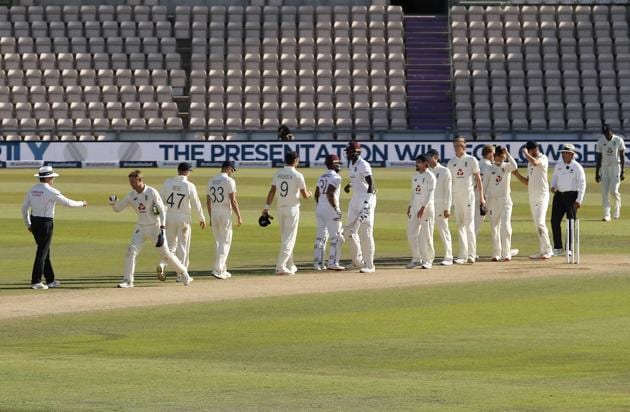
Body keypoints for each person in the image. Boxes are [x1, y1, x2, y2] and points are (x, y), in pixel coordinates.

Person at [110, 170, 192, 288]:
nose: (131, 184)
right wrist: (113, 203)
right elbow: (118, 208)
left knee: (166, 254)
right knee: (130, 252)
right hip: (141, 228)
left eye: (133, 181)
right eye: (130, 182)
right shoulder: (131, 195)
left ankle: (184, 273)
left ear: (140, 180)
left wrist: (162, 229)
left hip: (155, 227)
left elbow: (162, 211)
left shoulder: (152, 192)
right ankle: (128, 281)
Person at [21, 166, 88, 290]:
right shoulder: (51, 191)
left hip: (35, 222)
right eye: (51, 177)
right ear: (47, 178)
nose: (53, 179)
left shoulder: (32, 189)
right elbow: (68, 203)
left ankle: (50, 280)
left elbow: (24, 208)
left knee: (45, 251)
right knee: (42, 252)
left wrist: (28, 224)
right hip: (45, 223)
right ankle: (36, 281)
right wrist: (82, 203)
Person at [263, 151, 312, 275]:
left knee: (285, 237)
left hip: (280, 208)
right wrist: (310, 193)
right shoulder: (298, 175)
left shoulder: (278, 173)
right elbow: (305, 195)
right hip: (292, 209)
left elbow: (272, 191)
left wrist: (266, 207)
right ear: (295, 160)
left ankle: (291, 264)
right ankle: (280, 266)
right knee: (289, 239)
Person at [157, 162, 206, 282]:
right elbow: (196, 203)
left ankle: (163, 264)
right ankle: (181, 275)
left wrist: (159, 217)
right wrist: (201, 218)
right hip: (183, 218)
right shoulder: (189, 185)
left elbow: (159, 200)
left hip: (169, 216)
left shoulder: (168, 182)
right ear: (187, 171)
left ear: (178, 171)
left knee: (170, 246)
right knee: (183, 246)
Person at [447, 136, 485, 264]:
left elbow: (478, 179)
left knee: (469, 225)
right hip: (456, 196)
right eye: (455, 145)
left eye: (459, 144)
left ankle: (471, 255)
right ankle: (462, 255)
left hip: (468, 195)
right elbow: (449, 182)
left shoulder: (471, 160)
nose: (457, 147)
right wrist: (449, 201)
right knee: (460, 225)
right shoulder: (451, 162)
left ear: (465, 146)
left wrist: (482, 198)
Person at [512, 140, 554, 259]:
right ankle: (542, 250)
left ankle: (548, 250)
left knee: (540, 222)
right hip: (532, 195)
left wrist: (525, 153)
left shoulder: (543, 158)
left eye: (530, 150)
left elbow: (536, 162)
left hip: (542, 194)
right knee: (537, 224)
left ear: (533, 149)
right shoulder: (529, 163)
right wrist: (517, 175)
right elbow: (528, 182)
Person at [342, 140, 378, 273]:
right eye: (347, 152)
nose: (348, 154)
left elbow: (372, 185)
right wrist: (349, 185)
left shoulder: (363, 164)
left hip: (366, 199)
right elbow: (357, 179)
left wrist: (367, 205)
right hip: (355, 199)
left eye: (350, 152)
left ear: (357, 152)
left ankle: (370, 265)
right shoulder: (351, 164)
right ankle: (357, 261)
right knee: (349, 231)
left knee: (366, 232)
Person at [207, 160, 242, 279]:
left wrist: (211, 216)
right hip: (225, 213)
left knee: (218, 242)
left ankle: (222, 268)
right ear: (228, 168)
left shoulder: (211, 180)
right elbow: (233, 200)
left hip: (215, 212)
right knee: (225, 242)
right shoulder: (229, 181)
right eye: (232, 170)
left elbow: (208, 201)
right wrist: (239, 216)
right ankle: (218, 270)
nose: (232, 172)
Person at [550, 144, 586, 256]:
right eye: (562, 153)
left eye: (565, 153)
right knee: (554, 221)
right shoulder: (558, 165)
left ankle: (569, 248)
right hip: (559, 195)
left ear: (571, 154)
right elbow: (555, 178)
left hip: (572, 196)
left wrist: (579, 200)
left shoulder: (577, 167)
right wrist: (553, 186)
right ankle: (557, 247)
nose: (563, 155)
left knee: (570, 222)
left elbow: (582, 185)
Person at [484, 146, 519, 262]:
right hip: (493, 201)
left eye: (503, 158)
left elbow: (515, 166)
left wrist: (508, 153)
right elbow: (484, 186)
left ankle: (507, 253)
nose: (502, 160)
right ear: (495, 157)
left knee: (506, 226)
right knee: (494, 227)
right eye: (500, 157)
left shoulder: (507, 167)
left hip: (505, 200)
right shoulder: (489, 169)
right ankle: (496, 253)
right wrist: (483, 201)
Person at [313, 154, 345, 271]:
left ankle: (318, 263)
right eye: (338, 163)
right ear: (333, 164)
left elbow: (317, 194)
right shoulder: (336, 177)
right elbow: (330, 193)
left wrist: (320, 205)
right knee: (336, 237)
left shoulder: (321, 176)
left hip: (320, 209)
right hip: (330, 210)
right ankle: (333, 262)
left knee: (320, 236)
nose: (339, 165)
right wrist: (336, 209)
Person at [406, 154, 436, 269]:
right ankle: (416, 258)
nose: (416, 164)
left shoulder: (430, 176)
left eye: (419, 162)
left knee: (427, 235)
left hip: (426, 210)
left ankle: (428, 260)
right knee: (411, 234)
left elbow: (430, 194)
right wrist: (410, 205)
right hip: (414, 209)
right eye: (416, 162)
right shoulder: (415, 176)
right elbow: (414, 193)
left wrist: (423, 207)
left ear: (425, 163)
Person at [427, 149, 453, 266]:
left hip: (440, 205)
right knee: (427, 232)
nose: (428, 159)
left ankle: (449, 256)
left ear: (436, 157)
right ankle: (428, 257)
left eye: (430, 157)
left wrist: (447, 208)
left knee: (444, 231)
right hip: (428, 206)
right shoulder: (426, 171)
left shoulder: (444, 171)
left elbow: (448, 191)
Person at [596, 124, 625, 221]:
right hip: (604, 168)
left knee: (613, 191)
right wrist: (597, 172)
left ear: (611, 131)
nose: (606, 135)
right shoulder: (601, 141)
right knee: (604, 192)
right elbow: (599, 157)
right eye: (605, 133)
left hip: (615, 167)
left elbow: (622, 156)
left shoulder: (618, 140)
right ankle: (607, 214)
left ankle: (617, 208)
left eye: (608, 133)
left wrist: (623, 171)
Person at [475, 144, 495, 235]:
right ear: (490, 154)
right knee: (496, 224)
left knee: (473, 224)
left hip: (474, 196)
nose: (494, 156)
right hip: (485, 199)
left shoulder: (477, 164)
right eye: (493, 154)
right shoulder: (491, 167)